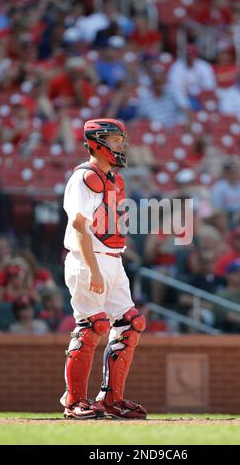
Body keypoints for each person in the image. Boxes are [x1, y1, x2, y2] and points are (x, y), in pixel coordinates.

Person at [61, 118, 147, 420]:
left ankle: (111, 399)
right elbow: (79, 226)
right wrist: (93, 269)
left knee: (130, 323)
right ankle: (74, 401)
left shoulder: (113, 178)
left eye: (120, 139)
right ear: (96, 142)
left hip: (113, 260)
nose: (120, 145)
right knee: (92, 325)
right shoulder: (85, 176)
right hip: (89, 261)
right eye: (113, 139)